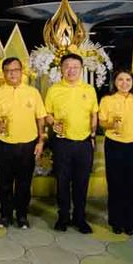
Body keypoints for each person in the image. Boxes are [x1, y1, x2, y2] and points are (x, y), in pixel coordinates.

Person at [0, 57, 46, 229]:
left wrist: (41, 141)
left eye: (16, 70)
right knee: (5, 182)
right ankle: (5, 215)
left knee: (24, 182)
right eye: (8, 70)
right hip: (4, 143)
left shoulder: (33, 93)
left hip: (27, 143)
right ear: (3, 73)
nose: (12, 73)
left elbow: (41, 118)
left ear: (22, 72)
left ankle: (22, 215)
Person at [45, 53, 98, 234]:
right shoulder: (54, 90)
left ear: (81, 69)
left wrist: (92, 134)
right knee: (62, 180)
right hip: (62, 143)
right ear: (61, 69)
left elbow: (94, 114)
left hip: (83, 143)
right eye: (67, 66)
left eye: (75, 67)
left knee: (81, 182)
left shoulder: (89, 89)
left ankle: (80, 217)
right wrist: (53, 123)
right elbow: (47, 114)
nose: (71, 70)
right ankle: (63, 216)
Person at [99, 69, 133, 235]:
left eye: (128, 80)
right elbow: (102, 123)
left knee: (132, 185)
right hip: (114, 144)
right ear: (115, 82)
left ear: (132, 82)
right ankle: (116, 221)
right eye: (120, 80)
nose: (124, 83)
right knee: (115, 184)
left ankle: (130, 222)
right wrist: (110, 124)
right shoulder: (107, 100)